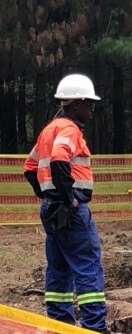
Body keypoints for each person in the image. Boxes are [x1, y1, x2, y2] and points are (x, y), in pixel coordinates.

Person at [23, 74, 108, 333]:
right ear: (74, 104)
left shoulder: (48, 130)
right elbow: (60, 159)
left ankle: (59, 326)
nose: (92, 110)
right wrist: (68, 198)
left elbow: (29, 168)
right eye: (88, 104)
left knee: (59, 268)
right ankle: (94, 327)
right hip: (70, 212)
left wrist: (47, 194)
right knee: (87, 265)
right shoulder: (69, 130)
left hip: (51, 211)